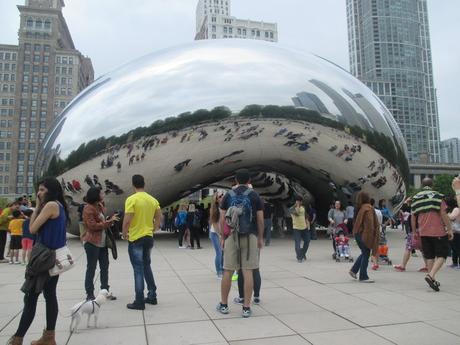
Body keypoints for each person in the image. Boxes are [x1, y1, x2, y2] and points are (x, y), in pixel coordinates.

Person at [7, 177, 70, 345]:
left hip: (43, 258)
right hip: (53, 258)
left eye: (42, 190)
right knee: (49, 295)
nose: (39, 193)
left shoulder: (50, 206)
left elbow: (32, 228)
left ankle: (18, 338)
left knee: (31, 297)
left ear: (51, 190)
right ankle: (49, 337)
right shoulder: (60, 206)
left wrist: (35, 209)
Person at [217, 169, 264, 318]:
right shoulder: (255, 195)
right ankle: (246, 308)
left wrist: (222, 237)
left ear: (236, 181)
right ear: (249, 181)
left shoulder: (228, 195)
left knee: (228, 271)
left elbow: (222, 218)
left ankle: (224, 305)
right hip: (250, 236)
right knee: (248, 271)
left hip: (231, 235)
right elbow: (260, 219)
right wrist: (260, 237)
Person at [122, 174, 162, 310]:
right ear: (144, 184)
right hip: (148, 237)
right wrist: (154, 228)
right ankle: (152, 295)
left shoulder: (131, 199)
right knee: (146, 266)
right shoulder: (153, 200)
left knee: (138, 269)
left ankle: (139, 300)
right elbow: (159, 217)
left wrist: (124, 233)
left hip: (136, 238)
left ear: (133, 185)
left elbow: (127, 219)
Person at [411, 178, 453, 291]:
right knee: (442, 255)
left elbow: (413, 216)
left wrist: (414, 231)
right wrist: (449, 229)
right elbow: (443, 213)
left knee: (429, 256)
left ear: (422, 185)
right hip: (438, 231)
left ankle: (432, 278)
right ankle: (430, 275)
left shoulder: (416, 198)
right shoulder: (438, 196)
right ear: (432, 185)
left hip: (423, 232)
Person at [82, 187, 119, 301]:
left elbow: (101, 222)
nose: (102, 194)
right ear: (95, 195)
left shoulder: (100, 206)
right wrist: (108, 222)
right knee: (91, 268)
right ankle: (89, 293)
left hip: (102, 243)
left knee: (104, 267)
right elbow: (92, 226)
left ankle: (104, 291)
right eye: (100, 192)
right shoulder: (88, 209)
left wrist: (109, 220)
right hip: (92, 242)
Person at [349, 191, 379, 283]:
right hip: (365, 234)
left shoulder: (359, 208)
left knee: (364, 252)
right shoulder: (368, 208)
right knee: (366, 253)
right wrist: (370, 237)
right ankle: (363, 276)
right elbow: (369, 224)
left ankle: (354, 270)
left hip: (358, 233)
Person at [289, 196, 311, 262]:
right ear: (295, 201)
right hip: (296, 228)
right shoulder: (291, 209)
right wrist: (297, 206)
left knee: (307, 241)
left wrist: (308, 224)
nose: (299, 202)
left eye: (300, 201)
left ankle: (302, 253)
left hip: (304, 228)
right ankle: (299, 257)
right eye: (298, 201)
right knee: (297, 243)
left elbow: (306, 216)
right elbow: (297, 213)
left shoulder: (303, 207)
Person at [209, 193, 223, 278]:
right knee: (219, 253)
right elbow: (214, 224)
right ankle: (219, 272)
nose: (222, 197)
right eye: (220, 196)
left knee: (223, 253)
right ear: (217, 199)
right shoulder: (215, 209)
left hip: (221, 233)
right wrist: (220, 235)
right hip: (215, 233)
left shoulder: (222, 207)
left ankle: (223, 269)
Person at [446, 197, 460, 269]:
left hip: (457, 231)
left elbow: (452, 217)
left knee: (458, 248)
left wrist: (446, 215)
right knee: (454, 248)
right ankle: (454, 263)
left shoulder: (456, 209)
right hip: (453, 231)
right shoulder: (451, 209)